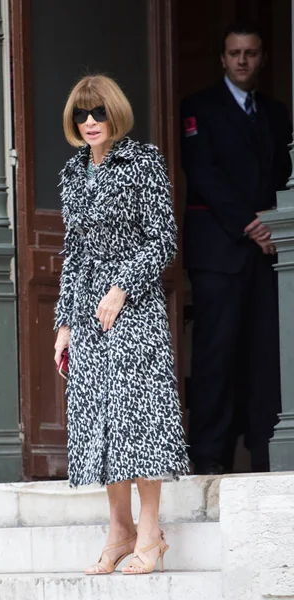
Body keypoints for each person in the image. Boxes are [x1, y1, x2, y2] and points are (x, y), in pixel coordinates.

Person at [54, 74, 189, 575]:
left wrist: (122, 286)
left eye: (98, 113)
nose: (90, 122)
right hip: (88, 317)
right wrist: (65, 322)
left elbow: (162, 240)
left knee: (140, 419)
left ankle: (150, 532)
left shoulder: (144, 161)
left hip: (134, 311)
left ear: (115, 114)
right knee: (101, 420)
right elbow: (74, 255)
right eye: (81, 115)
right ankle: (119, 529)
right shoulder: (71, 173)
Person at [181, 22, 292, 475]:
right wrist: (250, 224)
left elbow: (283, 174)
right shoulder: (198, 108)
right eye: (234, 53)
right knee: (216, 356)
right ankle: (210, 457)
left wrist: (271, 226)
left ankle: (267, 454)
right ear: (222, 59)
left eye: (250, 53)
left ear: (262, 58)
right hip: (219, 252)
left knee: (267, 356)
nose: (242, 60)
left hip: (269, 254)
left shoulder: (276, 112)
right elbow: (202, 171)